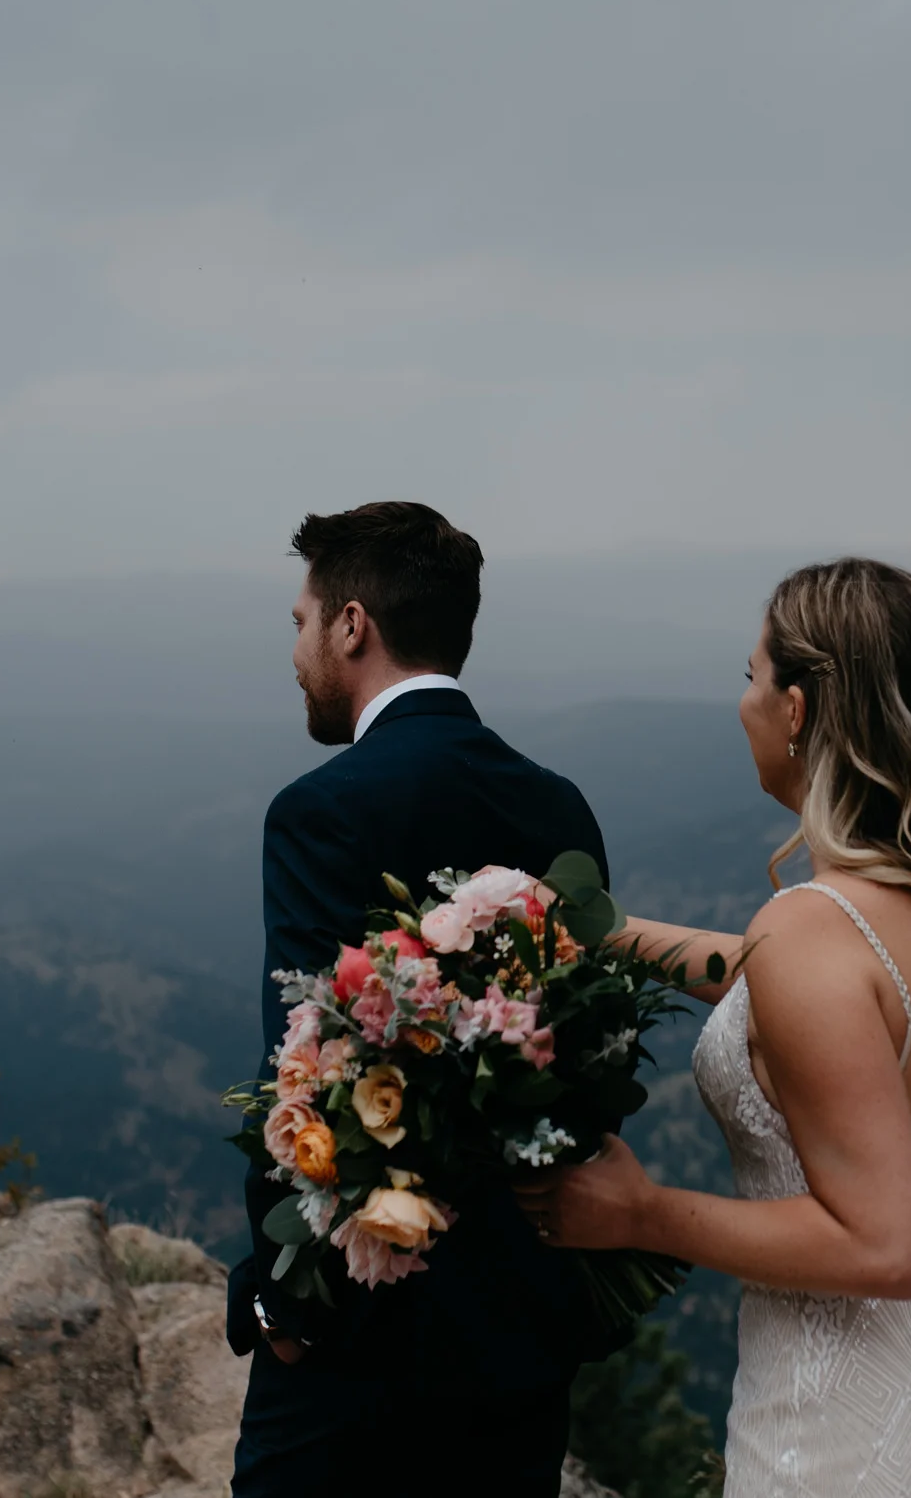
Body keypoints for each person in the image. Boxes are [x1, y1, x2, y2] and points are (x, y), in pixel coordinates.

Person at [517, 557, 911, 1497]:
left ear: (800, 709)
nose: (745, 702)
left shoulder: (812, 926)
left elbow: (886, 1250)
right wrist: (604, 932)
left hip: (853, 1432)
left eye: (752, 677)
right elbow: (814, 1002)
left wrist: (638, 1213)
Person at [225, 500, 615, 1498]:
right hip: (519, 1327)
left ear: (353, 624)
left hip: (360, 1331)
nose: (299, 650)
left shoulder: (321, 810)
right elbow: (583, 1055)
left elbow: (303, 1068)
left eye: (303, 622)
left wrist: (284, 1309)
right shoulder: (558, 805)